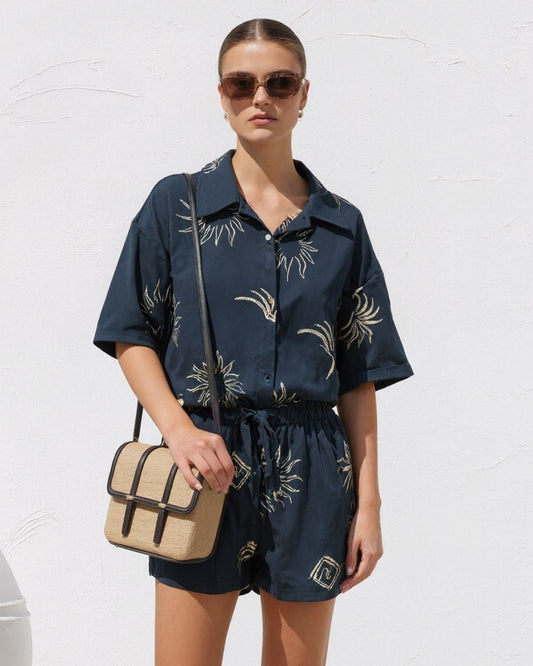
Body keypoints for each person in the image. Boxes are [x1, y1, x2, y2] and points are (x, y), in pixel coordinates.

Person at [94, 17, 413, 666]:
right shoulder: (176, 205)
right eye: (241, 83)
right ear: (221, 94)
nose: (259, 97)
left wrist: (369, 506)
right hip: (202, 462)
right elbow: (131, 332)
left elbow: (358, 377)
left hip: (312, 470)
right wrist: (177, 430)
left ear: (303, 94)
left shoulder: (341, 226)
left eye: (279, 83)